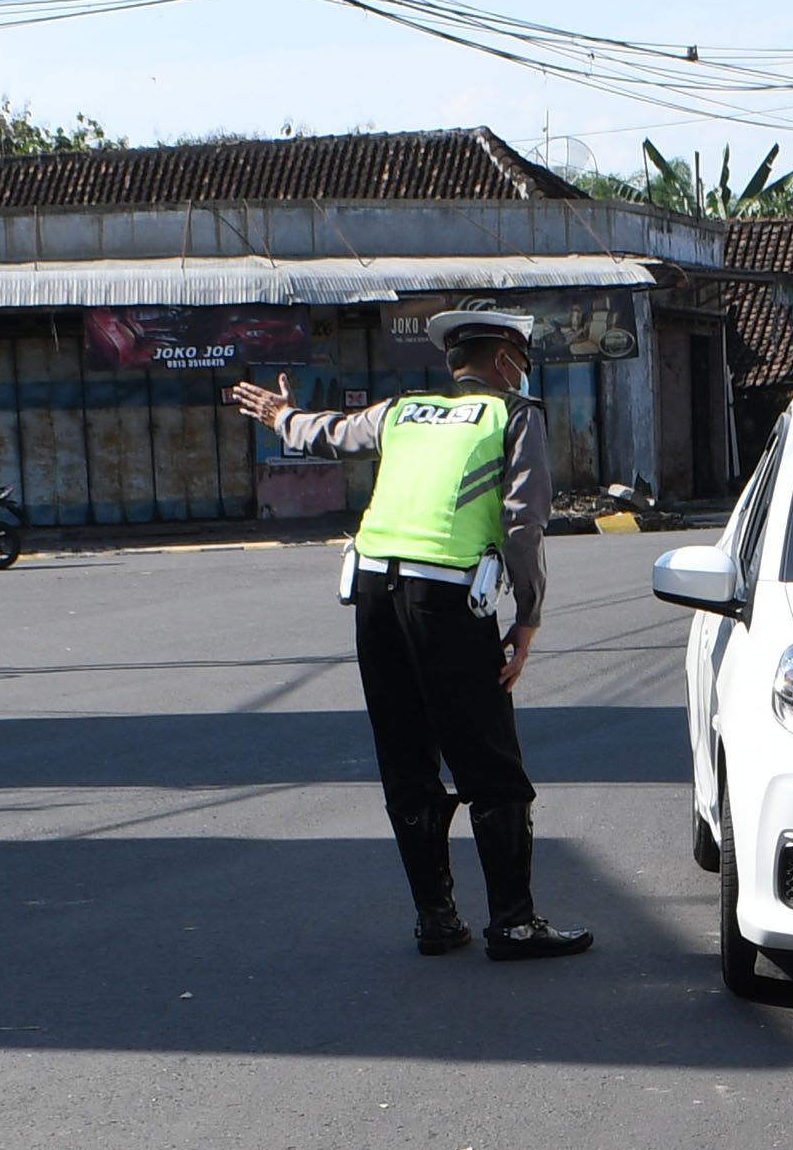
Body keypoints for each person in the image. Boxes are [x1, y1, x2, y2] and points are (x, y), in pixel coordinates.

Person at [226, 309, 590, 960]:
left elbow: (330, 433)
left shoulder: (403, 411)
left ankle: (436, 918)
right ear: (507, 360)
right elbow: (524, 520)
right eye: (523, 361)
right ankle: (512, 921)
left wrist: (281, 415)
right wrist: (528, 616)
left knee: (408, 761)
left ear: (454, 361)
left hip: (373, 593)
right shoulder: (515, 413)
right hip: (446, 600)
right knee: (489, 763)